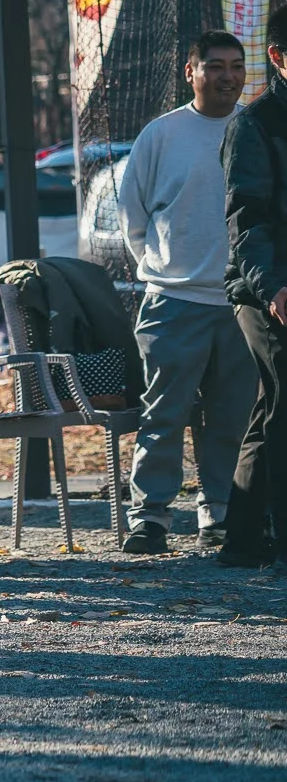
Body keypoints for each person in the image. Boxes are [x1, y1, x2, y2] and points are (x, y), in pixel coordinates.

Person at [118, 30, 257, 554]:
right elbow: (133, 216)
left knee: (232, 418)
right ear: (191, 71)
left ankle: (218, 513)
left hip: (241, 302)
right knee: (164, 414)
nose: (227, 76)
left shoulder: (258, 129)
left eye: (236, 66)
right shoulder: (162, 134)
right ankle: (150, 516)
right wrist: (162, 270)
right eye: (215, 66)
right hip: (173, 300)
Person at [218, 3, 287, 570]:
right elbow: (248, 220)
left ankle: (241, 539)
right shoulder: (254, 124)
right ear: (277, 57)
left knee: (274, 409)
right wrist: (273, 288)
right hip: (263, 289)